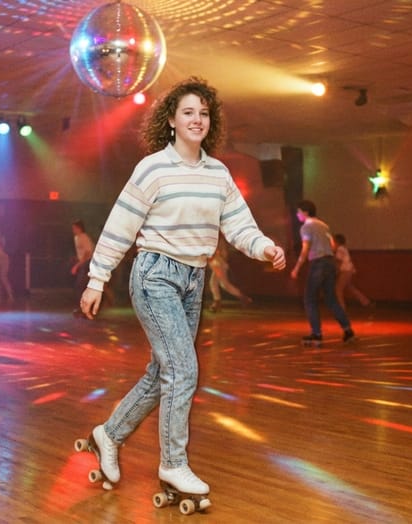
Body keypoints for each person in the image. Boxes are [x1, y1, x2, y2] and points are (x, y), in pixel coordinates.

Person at [78, 77, 286, 499]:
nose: (197, 119)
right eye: (188, 112)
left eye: (204, 113)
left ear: (212, 122)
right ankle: (173, 464)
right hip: (155, 275)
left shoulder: (217, 173)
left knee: (163, 373)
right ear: (171, 120)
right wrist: (97, 279)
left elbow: (239, 225)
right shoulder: (153, 168)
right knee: (183, 369)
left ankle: (109, 434)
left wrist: (265, 247)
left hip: (194, 279)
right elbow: (121, 226)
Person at [290, 200, 355, 344]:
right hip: (329, 263)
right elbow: (332, 246)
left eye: (298, 211)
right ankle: (347, 330)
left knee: (310, 298)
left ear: (305, 212)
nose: (297, 215)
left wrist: (297, 268)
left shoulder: (306, 227)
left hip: (318, 263)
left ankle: (316, 334)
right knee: (331, 299)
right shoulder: (324, 225)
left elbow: (305, 249)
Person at [207, 238, 252, 312]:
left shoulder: (217, 239)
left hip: (218, 264)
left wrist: (217, 258)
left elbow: (222, 253)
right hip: (216, 263)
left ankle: (217, 302)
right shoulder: (214, 238)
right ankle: (243, 298)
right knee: (224, 284)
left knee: (215, 283)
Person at [332, 233, 371, 311]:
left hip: (345, 270)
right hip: (349, 270)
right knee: (350, 287)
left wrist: (336, 271)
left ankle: (341, 309)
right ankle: (365, 301)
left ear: (337, 241)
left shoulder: (340, 249)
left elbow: (338, 261)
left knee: (338, 289)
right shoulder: (343, 248)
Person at [71, 219, 93, 314]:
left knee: (81, 285)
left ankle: (85, 308)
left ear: (79, 228)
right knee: (80, 286)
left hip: (87, 262)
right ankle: (83, 308)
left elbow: (88, 252)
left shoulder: (84, 237)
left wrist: (77, 265)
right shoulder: (77, 237)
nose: (73, 230)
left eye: (74, 228)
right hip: (83, 262)